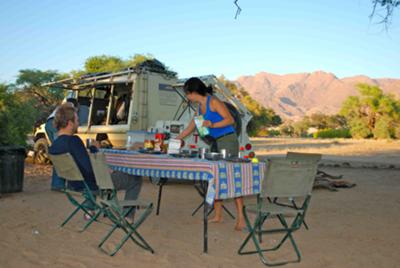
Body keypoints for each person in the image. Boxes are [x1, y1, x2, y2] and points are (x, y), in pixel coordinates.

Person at [48, 103, 143, 220]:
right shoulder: (74, 141)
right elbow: (89, 169)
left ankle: (92, 209)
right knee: (135, 178)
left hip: (73, 185)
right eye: (77, 120)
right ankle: (127, 216)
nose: (79, 123)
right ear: (70, 123)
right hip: (92, 185)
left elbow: (80, 165)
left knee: (108, 173)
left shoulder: (54, 146)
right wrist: (94, 149)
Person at [176, 77, 245, 231]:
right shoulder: (199, 108)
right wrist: (176, 139)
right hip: (215, 142)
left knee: (232, 177)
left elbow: (230, 119)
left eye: (187, 94)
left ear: (193, 92)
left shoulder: (213, 102)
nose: (187, 97)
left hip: (228, 140)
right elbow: (190, 128)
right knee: (214, 178)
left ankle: (241, 218)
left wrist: (212, 124)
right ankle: (218, 215)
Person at [45, 98, 78, 191]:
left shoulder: (64, 105)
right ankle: (59, 184)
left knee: (60, 154)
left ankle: (58, 183)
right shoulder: (70, 105)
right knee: (62, 154)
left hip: (50, 124)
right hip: (53, 124)